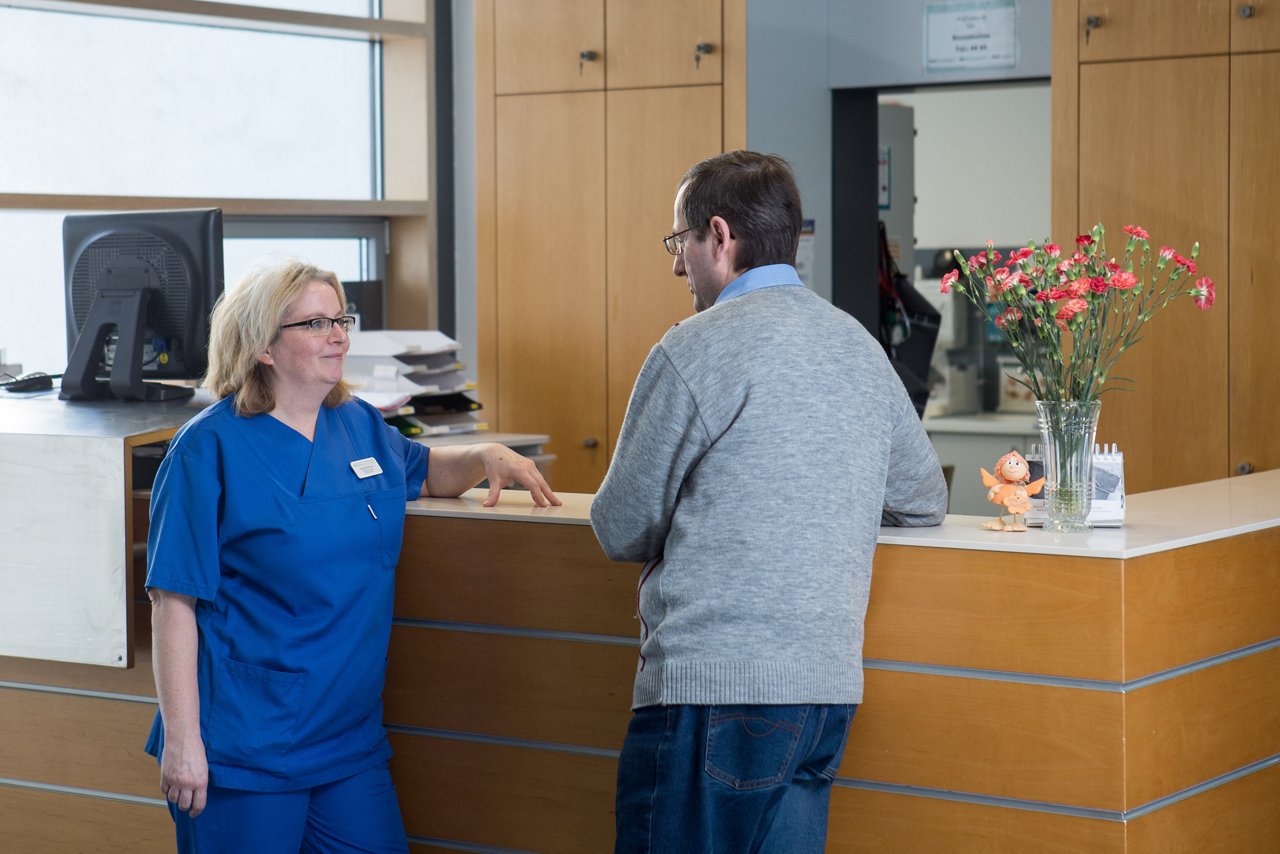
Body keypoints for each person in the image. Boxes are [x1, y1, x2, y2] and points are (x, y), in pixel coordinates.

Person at [590, 151, 948, 853]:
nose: (676, 266)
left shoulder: (694, 349)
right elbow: (921, 496)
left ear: (719, 238)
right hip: (823, 693)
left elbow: (620, 524)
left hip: (712, 692)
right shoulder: (857, 346)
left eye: (680, 242)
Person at [145, 259, 559, 853]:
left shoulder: (357, 424)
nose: (339, 335)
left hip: (346, 740)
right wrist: (185, 744)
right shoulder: (206, 449)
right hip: (243, 745)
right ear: (263, 345)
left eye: (342, 319)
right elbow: (174, 602)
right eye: (315, 323)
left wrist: (484, 455)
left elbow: (421, 472)